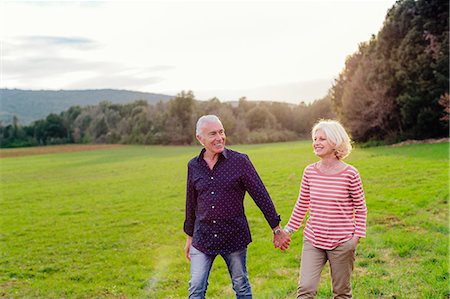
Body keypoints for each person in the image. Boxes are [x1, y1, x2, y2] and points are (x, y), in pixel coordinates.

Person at [183, 115, 290, 298]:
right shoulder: (193, 166)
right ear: (200, 139)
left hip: (234, 236)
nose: (219, 137)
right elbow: (191, 203)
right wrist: (189, 237)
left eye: (221, 132)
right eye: (212, 134)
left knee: (241, 285)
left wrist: (276, 228)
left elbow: (260, 195)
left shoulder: (240, 161)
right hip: (203, 237)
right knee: (196, 287)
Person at [283, 119, 367, 299]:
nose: (316, 142)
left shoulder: (350, 173)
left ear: (335, 142)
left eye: (322, 139)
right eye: (315, 138)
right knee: (305, 289)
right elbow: (302, 204)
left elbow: (361, 208)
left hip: (343, 242)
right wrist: (288, 230)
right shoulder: (309, 172)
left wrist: (356, 238)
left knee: (341, 293)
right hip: (314, 240)